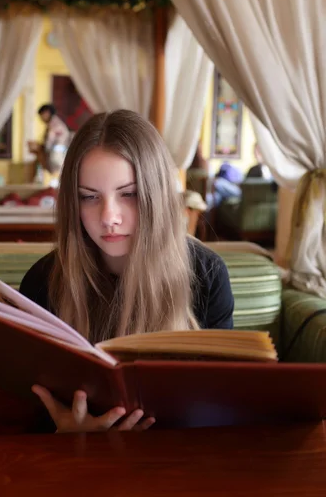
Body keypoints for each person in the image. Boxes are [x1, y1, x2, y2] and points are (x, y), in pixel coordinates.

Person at [20, 109, 234, 434]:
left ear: (157, 195)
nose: (109, 217)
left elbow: (223, 407)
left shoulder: (207, 275)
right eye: (89, 197)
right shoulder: (42, 282)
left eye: (129, 194)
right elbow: (33, 409)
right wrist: (63, 433)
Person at [28, 104, 71, 174]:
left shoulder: (54, 124)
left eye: (42, 115)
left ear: (47, 113)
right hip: (59, 149)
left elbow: (50, 141)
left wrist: (43, 148)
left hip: (60, 150)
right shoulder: (52, 123)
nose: (41, 118)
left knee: (56, 161)